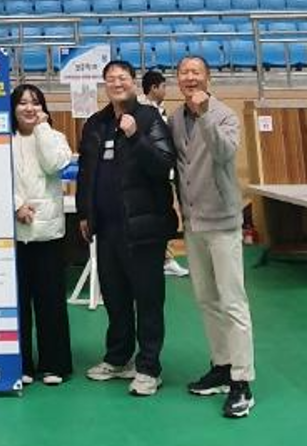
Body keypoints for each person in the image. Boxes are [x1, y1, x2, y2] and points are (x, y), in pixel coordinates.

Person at [77, 60, 177, 397]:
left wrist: (136, 136)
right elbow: (86, 173)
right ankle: (118, 358)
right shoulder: (96, 123)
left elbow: (164, 165)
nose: (116, 83)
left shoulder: (149, 119)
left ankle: (148, 367)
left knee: (148, 300)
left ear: (133, 82)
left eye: (122, 78)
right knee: (115, 298)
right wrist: (85, 213)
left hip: (143, 228)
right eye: (110, 79)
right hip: (107, 229)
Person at [170, 56, 256, 419]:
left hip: (222, 222)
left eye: (196, 72)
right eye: (184, 72)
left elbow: (224, 153)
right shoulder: (175, 118)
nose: (189, 77)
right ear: (178, 79)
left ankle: (242, 381)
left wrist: (205, 114)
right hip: (193, 224)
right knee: (206, 299)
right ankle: (222, 366)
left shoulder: (224, 115)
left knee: (233, 301)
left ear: (208, 78)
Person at [11, 83, 73, 387]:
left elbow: (54, 164)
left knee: (50, 302)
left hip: (48, 232)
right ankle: (21, 363)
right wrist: (15, 205)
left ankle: (54, 363)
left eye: (35, 102)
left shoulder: (55, 136)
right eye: (22, 102)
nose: (29, 108)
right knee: (17, 302)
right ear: (13, 109)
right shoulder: (2, 140)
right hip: (13, 233)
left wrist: (42, 129)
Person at [140, 69, 190, 279]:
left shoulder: (160, 110)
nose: (166, 91)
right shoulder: (141, 111)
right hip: (148, 176)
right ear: (154, 88)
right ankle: (163, 260)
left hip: (164, 173)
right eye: (163, 87)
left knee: (164, 217)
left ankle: (165, 259)